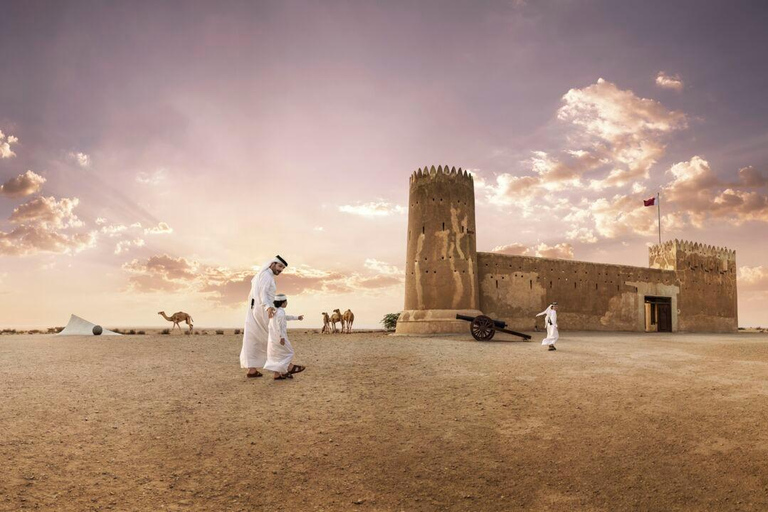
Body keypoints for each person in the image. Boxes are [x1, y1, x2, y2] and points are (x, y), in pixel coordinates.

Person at [240, 255, 288, 377]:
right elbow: (263, 293)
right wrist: (268, 307)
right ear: (272, 264)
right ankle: (279, 371)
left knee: (253, 338)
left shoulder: (261, 275)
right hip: (263, 309)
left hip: (254, 309)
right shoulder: (267, 276)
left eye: (283, 268)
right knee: (274, 336)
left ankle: (252, 369)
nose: (281, 270)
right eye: (280, 266)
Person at [264, 294, 306, 380]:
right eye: (286, 301)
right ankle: (288, 369)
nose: (287, 303)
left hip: (273, 337)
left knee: (277, 355)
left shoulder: (276, 311)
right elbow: (280, 325)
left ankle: (277, 374)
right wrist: (281, 337)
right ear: (282, 303)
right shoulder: (279, 312)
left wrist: (297, 317)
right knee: (289, 352)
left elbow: (285, 318)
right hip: (279, 337)